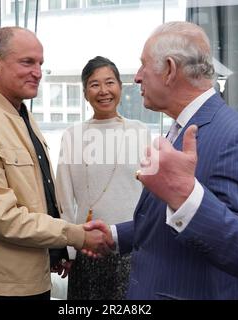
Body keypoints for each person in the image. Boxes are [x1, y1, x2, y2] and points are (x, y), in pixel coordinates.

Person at [85, 21, 238, 300]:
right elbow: (165, 220)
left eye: (143, 65)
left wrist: (185, 195)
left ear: (170, 70)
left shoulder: (236, 136)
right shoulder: (183, 127)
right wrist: (115, 235)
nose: (136, 77)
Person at [0, 26, 108, 300]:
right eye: (27, 62)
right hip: (0, 287)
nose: (38, 72)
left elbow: (39, 192)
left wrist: (57, 251)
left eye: (40, 63)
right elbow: (3, 218)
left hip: (36, 276)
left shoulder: (20, 113)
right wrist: (75, 236)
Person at [55, 56, 150, 299]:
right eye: (94, 84)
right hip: (87, 249)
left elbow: (153, 196)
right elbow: (64, 200)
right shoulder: (72, 136)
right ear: (85, 92)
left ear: (120, 86)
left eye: (110, 82)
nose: (103, 91)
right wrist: (70, 250)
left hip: (134, 249)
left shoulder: (140, 131)